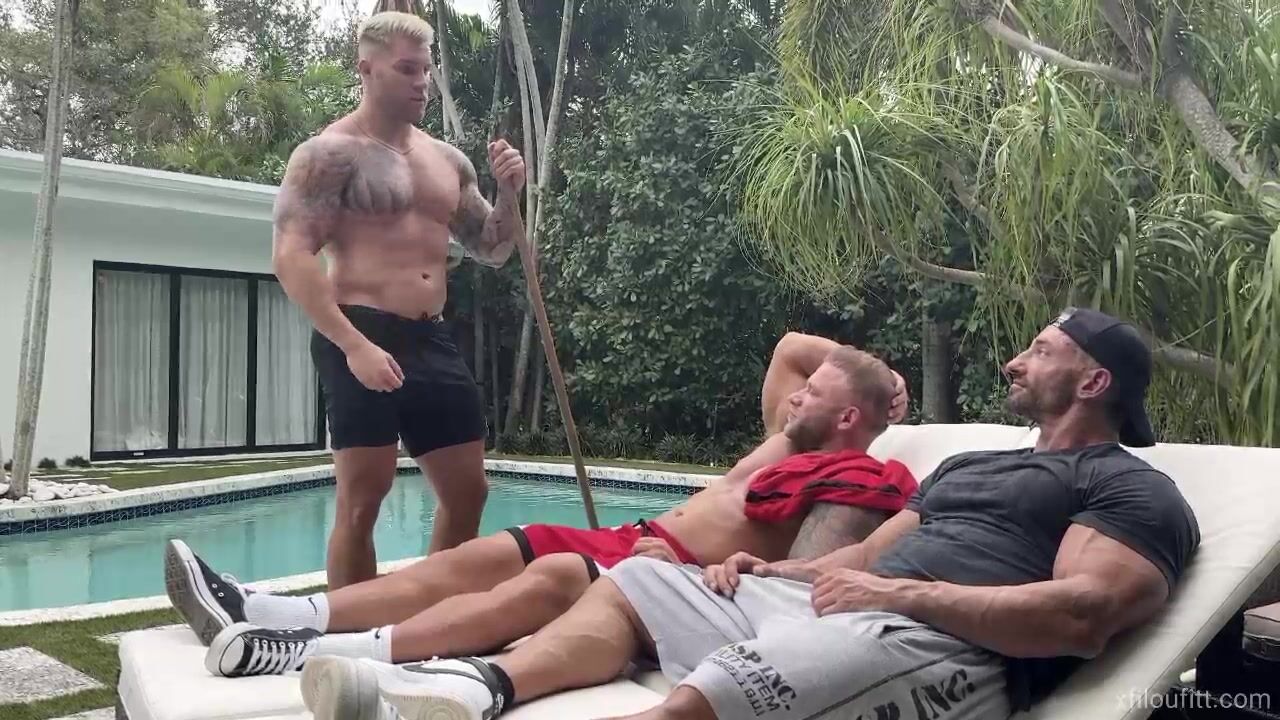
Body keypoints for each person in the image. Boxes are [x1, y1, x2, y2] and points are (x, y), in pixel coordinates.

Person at [296, 307, 1202, 720]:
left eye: (1038, 350)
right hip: (846, 604)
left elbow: (1081, 617)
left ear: (1093, 381)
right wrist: (773, 570)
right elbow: (871, 556)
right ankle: (480, 688)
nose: (1013, 361)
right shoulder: (972, 465)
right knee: (640, 582)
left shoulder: (1131, 488)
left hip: (944, 644)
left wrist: (903, 596)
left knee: (710, 694)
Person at [164, 332, 911, 675]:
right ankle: (266, 610)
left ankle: (307, 651)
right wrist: (876, 372)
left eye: (816, 393)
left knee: (533, 579)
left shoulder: (855, 480)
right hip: (633, 536)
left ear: (848, 418)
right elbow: (788, 347)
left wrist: (685, 575)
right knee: (483, 554)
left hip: (665, 569)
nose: (797, 393)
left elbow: (795, 578)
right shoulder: (785, 441)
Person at [271, 10, 526, 590]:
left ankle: (426, 614)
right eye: (407, 70)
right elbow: (291, 257)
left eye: (426, 71)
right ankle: (350, 628)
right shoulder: (328, 154)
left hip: (431, 335)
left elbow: (492, 248)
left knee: (467, 492)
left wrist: (510, 194)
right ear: (367, 69)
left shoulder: (447, 161)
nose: (422, 83)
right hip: (360, 330)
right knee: (364, 499)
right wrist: (353, 345)